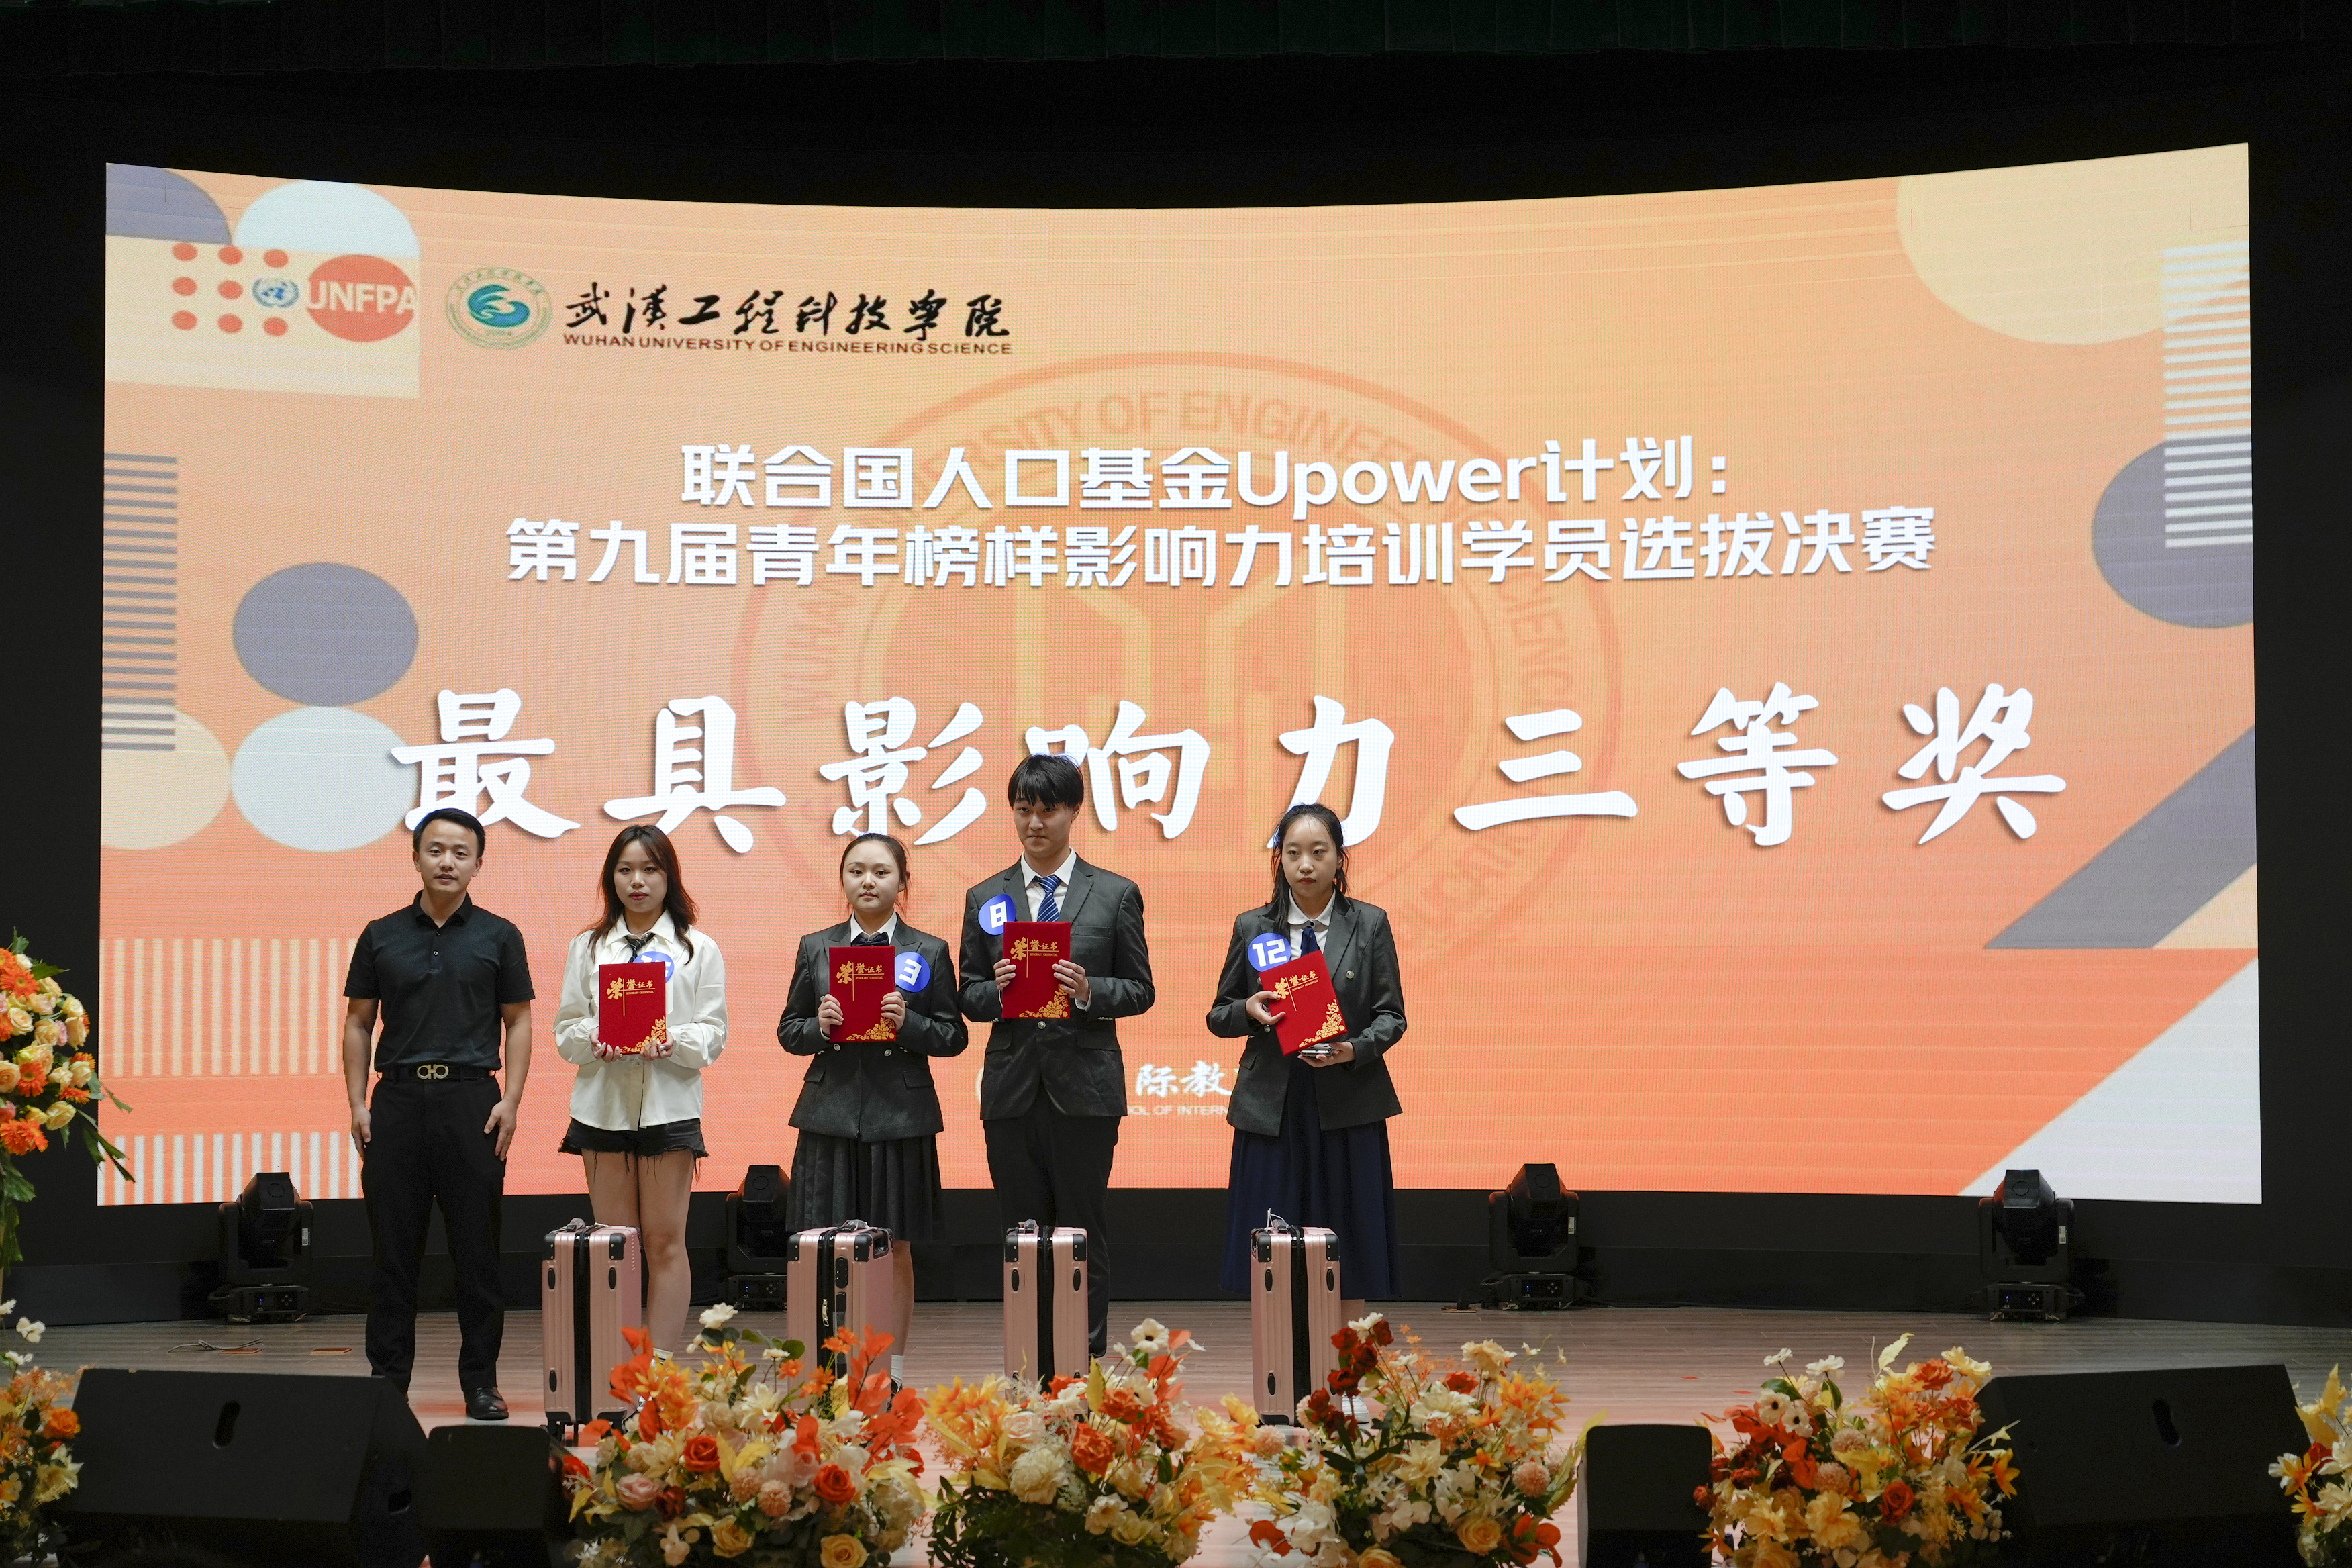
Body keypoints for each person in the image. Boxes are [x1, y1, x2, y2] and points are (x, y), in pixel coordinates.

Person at [342, 806, 534, 1422]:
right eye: (435, 850)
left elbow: (519, 1022)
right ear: (416, 857)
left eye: (460, 852)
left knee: (478, 1255)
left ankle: (481, 1384)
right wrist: (357, 1103)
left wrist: (511, 1100)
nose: (447, 862)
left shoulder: (500, 935)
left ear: (479, 864)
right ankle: (386, 1384)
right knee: (392, 1255)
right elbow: (358, 1023)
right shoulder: (380, 934)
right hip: (396, 1102)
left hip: (472, 1103)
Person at [959, 753, 1154, 1357]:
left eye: (1048, 810)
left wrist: (1090, 989)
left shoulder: (1114, 894)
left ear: (1073, 811)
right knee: (1019, 1234)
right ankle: (1028, 1357)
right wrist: (997, 991)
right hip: (1012, 1090)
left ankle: (1081, 1358)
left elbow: (1141, 990)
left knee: (1082, 1230)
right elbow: (967, 994)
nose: (1035, 823)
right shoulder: (985, 896)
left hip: (1085, 1091)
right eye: (1024, 810)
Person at [777, 832, 966, 1383]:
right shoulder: (817, 947)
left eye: (881, 872)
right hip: (829, 1114)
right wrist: (819, 1026)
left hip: (898, 1117)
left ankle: (891, 1371)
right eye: (856, 870)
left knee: (895, 1248)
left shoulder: (928, 950)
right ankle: (825, 1370)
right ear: (842, 879)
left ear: (903, 882)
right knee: (821, 1246)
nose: (867, 881)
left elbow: (953, 1036)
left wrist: (909, 1023)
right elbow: (789, 1031)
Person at [1208, 801, 1407, 1317]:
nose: (1306, 865)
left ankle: (1347, 1365)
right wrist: (1250, 1011)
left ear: (1340, 858)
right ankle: (1282, 1361)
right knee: (1271, 1248)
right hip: (1273, 1106)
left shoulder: (1369, 924)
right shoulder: (1253, 927)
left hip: (1347, 1103)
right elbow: (1219, 1015)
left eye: (1319, 852)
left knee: (1349, 1247)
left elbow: (1392, 1017)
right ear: (1280, 860)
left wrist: (1352, 1049)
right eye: (1293, 853)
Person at [552, 824, 728, 1353]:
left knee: (665, 1243)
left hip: (670, 1109)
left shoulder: (698, 949)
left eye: (651, 869)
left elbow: (713, 1035)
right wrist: (595, 1036)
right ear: (611, 878)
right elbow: (566, 1032)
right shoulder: (588, 947)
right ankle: (622, 1368)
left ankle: (661, 1372)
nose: (638, 881)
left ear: (669, 876)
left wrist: (670, 1040)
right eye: (625, 869)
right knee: (616, 1247)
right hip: (602, 1108)